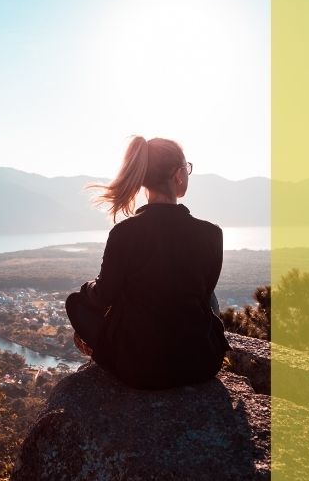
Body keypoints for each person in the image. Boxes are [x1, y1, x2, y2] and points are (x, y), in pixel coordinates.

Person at [65, 136, 230, 390]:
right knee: (208, 295)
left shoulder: (124, 233)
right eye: (187, 168)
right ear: (177, 175)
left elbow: (102, 296)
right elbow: (205, 294)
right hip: (201, 362)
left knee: (75, 303)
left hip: (139, 368)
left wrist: (88, 288)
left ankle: (110, 350)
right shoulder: (211, 234)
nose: (187, 174)